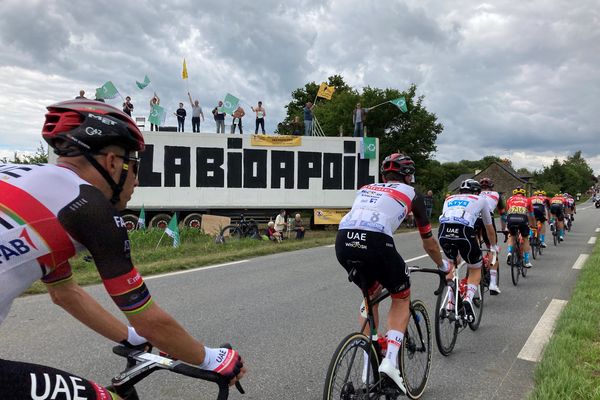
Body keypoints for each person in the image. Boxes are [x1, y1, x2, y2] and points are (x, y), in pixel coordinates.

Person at [0, 99, 245, 397]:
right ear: (113, 162)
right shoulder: (88, 206)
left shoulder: (24, 178)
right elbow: (149, 321)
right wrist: (213, 359)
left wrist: (131, 338)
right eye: (134, 167)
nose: (137, 181)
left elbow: (65, 293)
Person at [335, 153, 448, 394]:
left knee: (370, 294)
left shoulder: (366, 187)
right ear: (408, 176)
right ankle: (390, 362)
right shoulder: (412, 194)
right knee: (401, 296)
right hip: (376, 242)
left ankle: (368, 368)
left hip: (343, 241)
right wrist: (442, 266)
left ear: (385, 176)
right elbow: (428, 242)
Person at [439, 179, 498, 319]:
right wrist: (493, 246)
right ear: (477, 191)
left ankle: (450, 302)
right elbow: (489, 227)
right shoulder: (480, 199)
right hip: (464, 231)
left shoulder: (449, 198)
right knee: (475, 268)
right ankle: (468, 299)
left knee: (454, 263)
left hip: (443, 232)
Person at [476, 177, 507, 295]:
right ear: (491, 187)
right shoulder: (496, 195)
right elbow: (503, 214)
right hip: (487, 220)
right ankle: (493, 284)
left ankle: (476, 259)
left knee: (475, 246)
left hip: (473, 219)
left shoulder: (475, 193)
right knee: (492, 250)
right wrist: (504, 229)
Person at [505, 186, 535, 268]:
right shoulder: (527, 199)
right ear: (523, 193)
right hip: (522, 219)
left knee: (512, 235)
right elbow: (531, 215)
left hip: (511, 219)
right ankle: (526, 261)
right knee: (525, 238)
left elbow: (506, 213)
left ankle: (510, 252)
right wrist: (533, 225)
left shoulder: (509, 199)